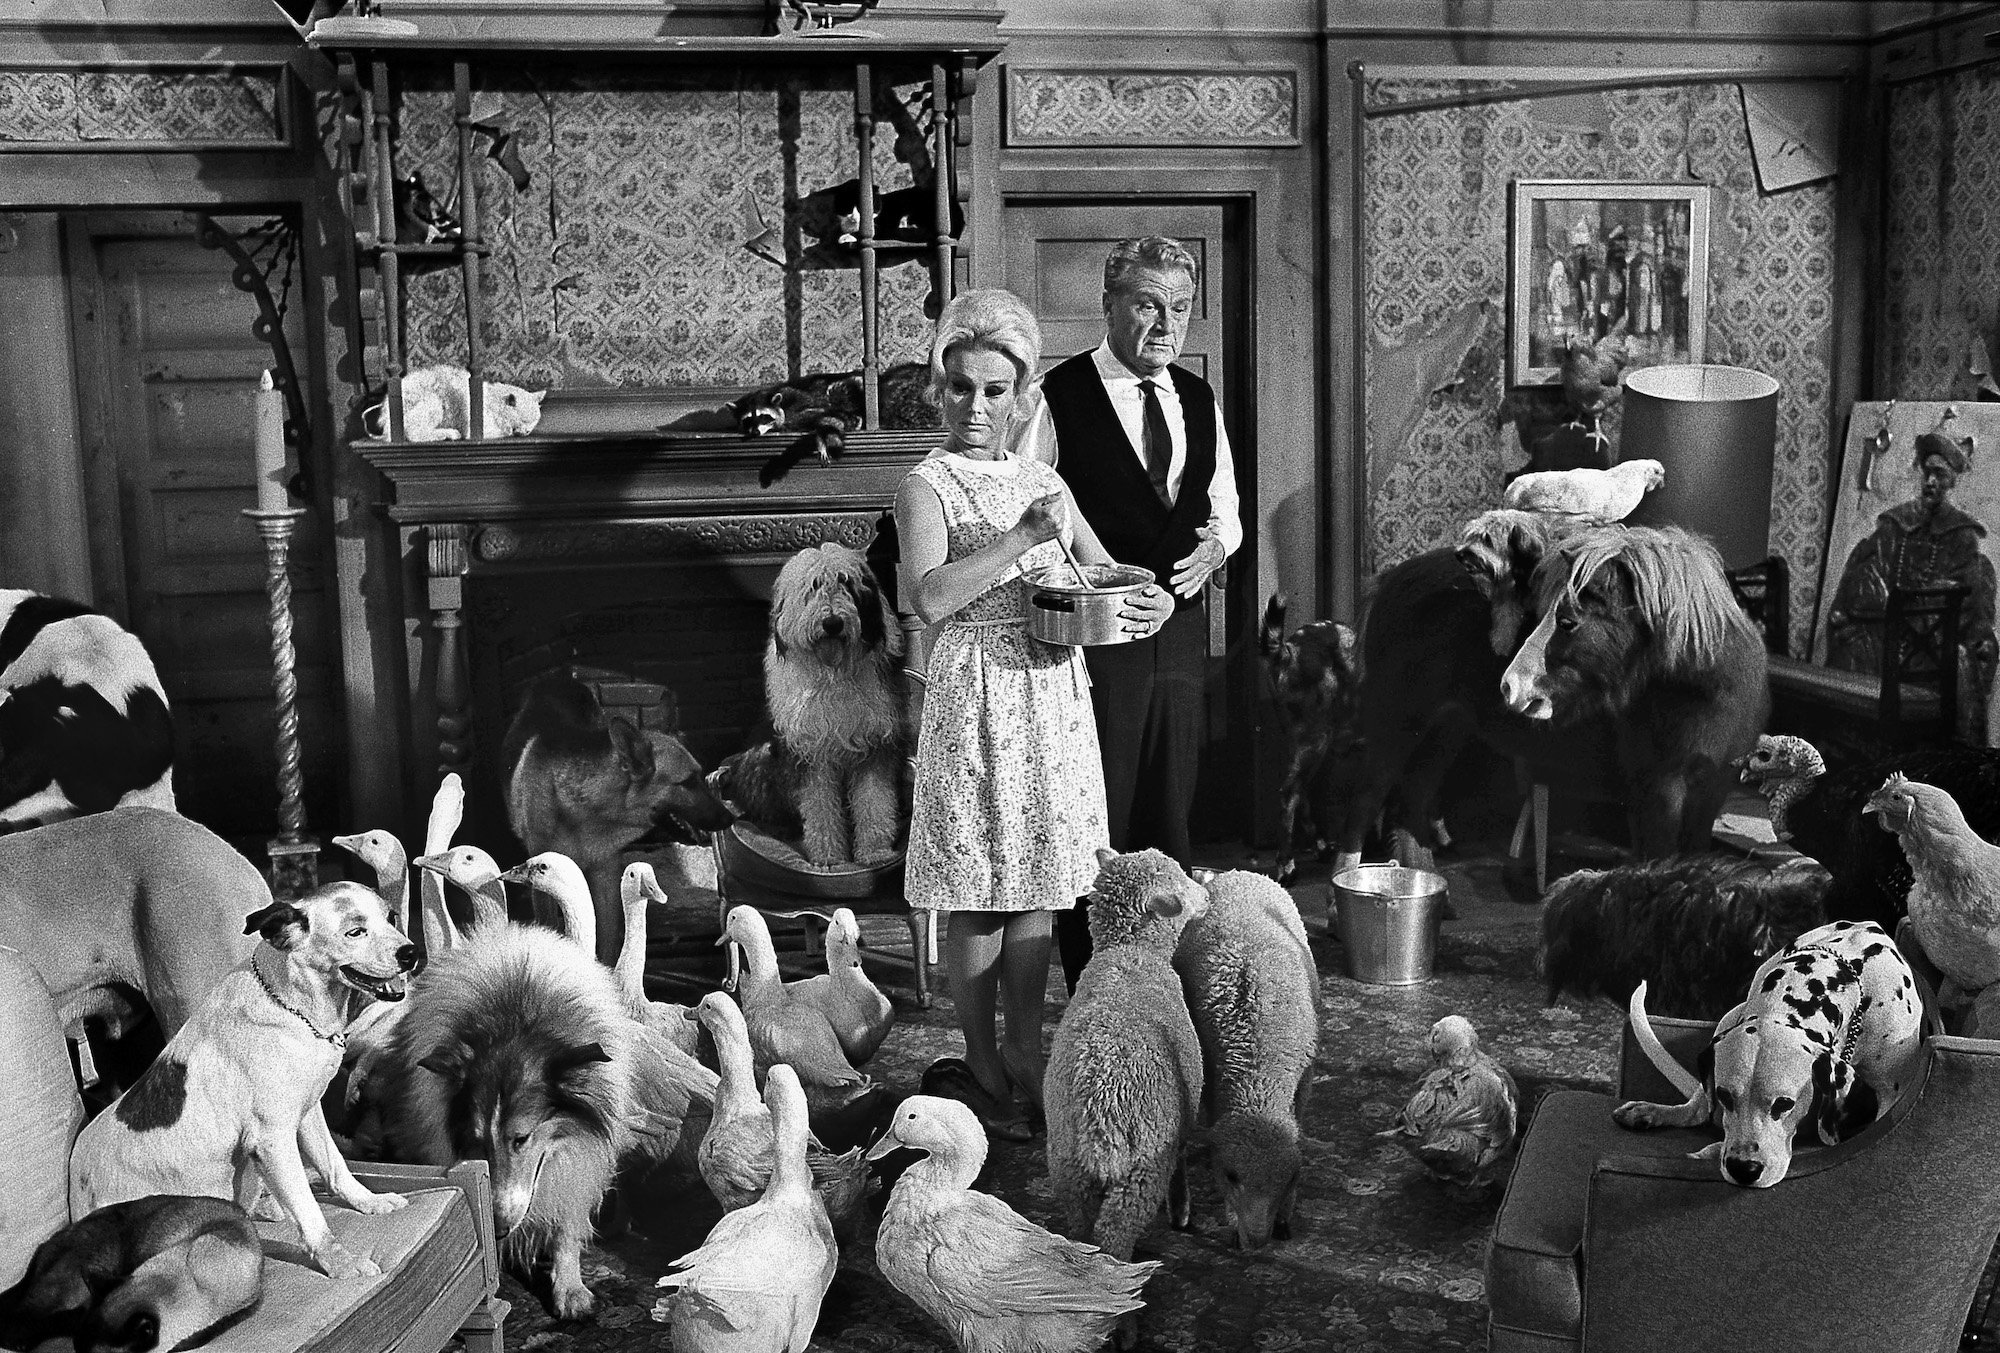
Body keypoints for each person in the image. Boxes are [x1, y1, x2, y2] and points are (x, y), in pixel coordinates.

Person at [895, 288, 1174, 1140]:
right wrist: (1018, 538)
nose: (977, 407)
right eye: (960, 387)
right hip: (977, 691)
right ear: (940, 388)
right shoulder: (925, 483)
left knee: (1043, 887)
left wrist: (1148, 594)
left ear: (1021, 396)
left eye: (994, 390)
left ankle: (1027, 1044)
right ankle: (979, 1055)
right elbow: (930, 596)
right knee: (981, 889)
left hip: (1051, 695)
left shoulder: (1045, 479)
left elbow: (1100, 567)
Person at [1014, 236, 1243, 991]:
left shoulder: (1198, 398)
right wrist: (1106, 588)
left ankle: (1164, 984)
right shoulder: (1057, 395)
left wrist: (1211, 557)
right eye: (1147, 304)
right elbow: (1026, 510)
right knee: (1095, 825)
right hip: (1091, 650)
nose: (1165, 324)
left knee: (1169, 819)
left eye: (1178, 307)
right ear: (1108, 305)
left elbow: (1225, 514)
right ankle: (1095, 988)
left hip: (1175, 639)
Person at [1827, 429, 1997, 733]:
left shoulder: (1962, 536)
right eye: (1927, 473)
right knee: (1850, 641)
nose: (1931, 482)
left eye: (1940, 475)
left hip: (1931, 649)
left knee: (1960, 662)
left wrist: (1916, 609)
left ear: (1953, 480)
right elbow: (1869, 578)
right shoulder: (1896, 524)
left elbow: (1964, 602)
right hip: (1884, 635)